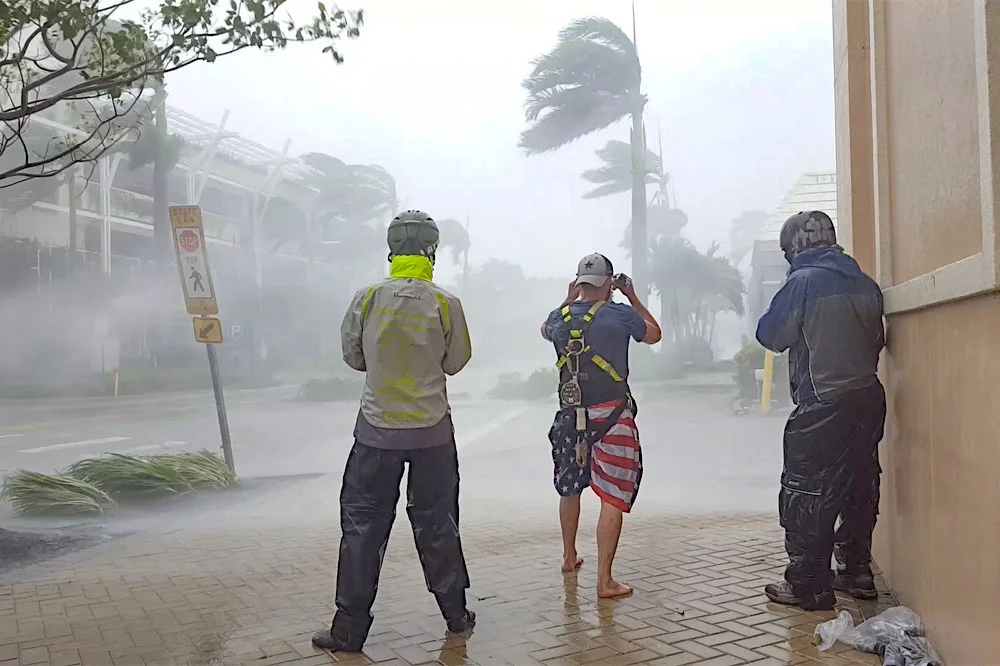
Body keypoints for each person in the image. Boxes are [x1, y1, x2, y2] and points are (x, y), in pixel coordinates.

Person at [312, 210, 476, 653]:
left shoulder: (367, 298)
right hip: (432, 435)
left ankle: (348, 632)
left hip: (375, 434)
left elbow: (354, 357)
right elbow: (456, 362)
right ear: (432, 250)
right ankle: (456, 616)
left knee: (362, 529)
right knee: (438, 524)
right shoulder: (446, 303)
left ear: (391, 248)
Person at [755, 210, 886, 611]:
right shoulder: (866, 283)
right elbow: (877, 339)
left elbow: (771, 335)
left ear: (794, 248)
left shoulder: (803, 282)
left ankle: (809, 586)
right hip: (868, 398)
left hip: (823, 404)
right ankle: (856, 572)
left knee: (806, 493)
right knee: (859, 485)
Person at [541, 253, 662, 599]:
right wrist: (632, 296)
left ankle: (569, 557)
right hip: (612, 418)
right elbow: (654, 334)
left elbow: (544, 330)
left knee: (569, 488)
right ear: (609, 283)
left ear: (579, 283)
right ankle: (605, 581)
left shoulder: (558, 318)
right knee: (612, 495)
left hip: (569, 416)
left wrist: (567, 299)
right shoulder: (620, 314)